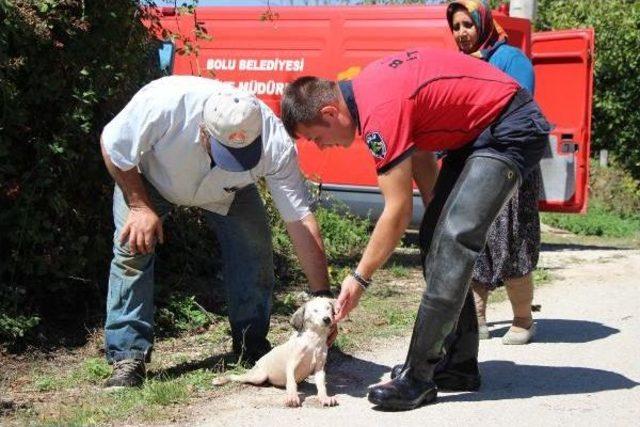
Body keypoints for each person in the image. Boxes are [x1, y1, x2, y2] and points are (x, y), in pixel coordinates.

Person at [281, 47, 551, 410]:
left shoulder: (378, 109)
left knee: (455, 240)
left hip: (509, 126)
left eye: (316, 137)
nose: (322, 147)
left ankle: (418, 377)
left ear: (330, 113)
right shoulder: (369, 92)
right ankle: (456, 366)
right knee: (438, 233)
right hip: (476, 134)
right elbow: (422, 154)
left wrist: (359, 279)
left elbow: (397, 210)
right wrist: (435, 226)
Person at [100, 75, 333, 388]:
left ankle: (251, 346)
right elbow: (113, 145)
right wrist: (139, 206)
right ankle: (127, 357)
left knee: (255, 249)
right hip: (151, 181)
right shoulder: (164, 103)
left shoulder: (275, 143)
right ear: (203, 130)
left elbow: (300, 222)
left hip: (228, 192)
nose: (235, 160)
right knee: (132, 251)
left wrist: (323, 298)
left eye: (244, 154)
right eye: (227, 152)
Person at [447, 0, 540, 344]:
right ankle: (478, 317)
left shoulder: (512, 60)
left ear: (482, 23)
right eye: (456, 27)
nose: (461, 33)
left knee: (514, 239)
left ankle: (523, 319)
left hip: (512, 165)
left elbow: (518, 110)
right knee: (475, 239)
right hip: (473, 164)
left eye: (467, 25)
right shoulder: (457, 64)